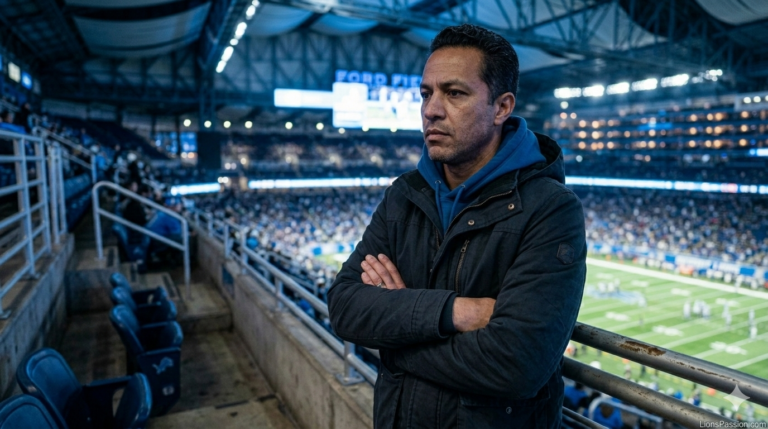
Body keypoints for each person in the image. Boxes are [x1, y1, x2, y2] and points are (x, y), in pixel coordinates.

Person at [327, 24, 586, 428]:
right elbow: (344, 307)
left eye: (454, 93)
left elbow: (517, 364)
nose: (431, 109)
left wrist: (395, 338)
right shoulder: (405, 195)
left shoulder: (550, 209)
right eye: (426, 93)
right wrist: (455, 312)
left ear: (501, 108)